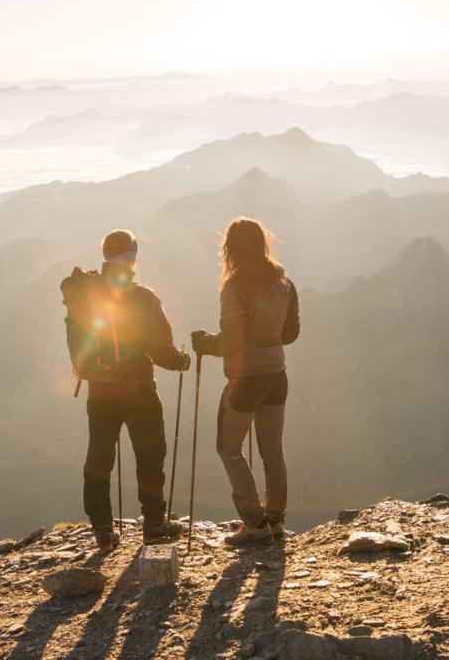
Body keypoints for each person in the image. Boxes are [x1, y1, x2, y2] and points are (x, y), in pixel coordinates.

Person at [64, 229, 190, 551]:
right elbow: (161, 351)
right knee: (149, 455)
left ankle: (103, 532)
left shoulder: (84, 294)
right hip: (138, 390)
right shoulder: (143, 297)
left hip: (99, 392)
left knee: (99, 458)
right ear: (132, 257)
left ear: (105, 255)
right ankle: (153, 525)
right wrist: (181, 361)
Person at [191, 217, 300, 547]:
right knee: (273, 450)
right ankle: (276, 520)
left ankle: (254, 524)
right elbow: (290, 334)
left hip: (246, 380)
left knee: (228, 448)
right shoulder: (285, 283)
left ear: (231, 249)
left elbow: (231, 342)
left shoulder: (235, 287)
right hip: (277, 375)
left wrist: (204, 343)